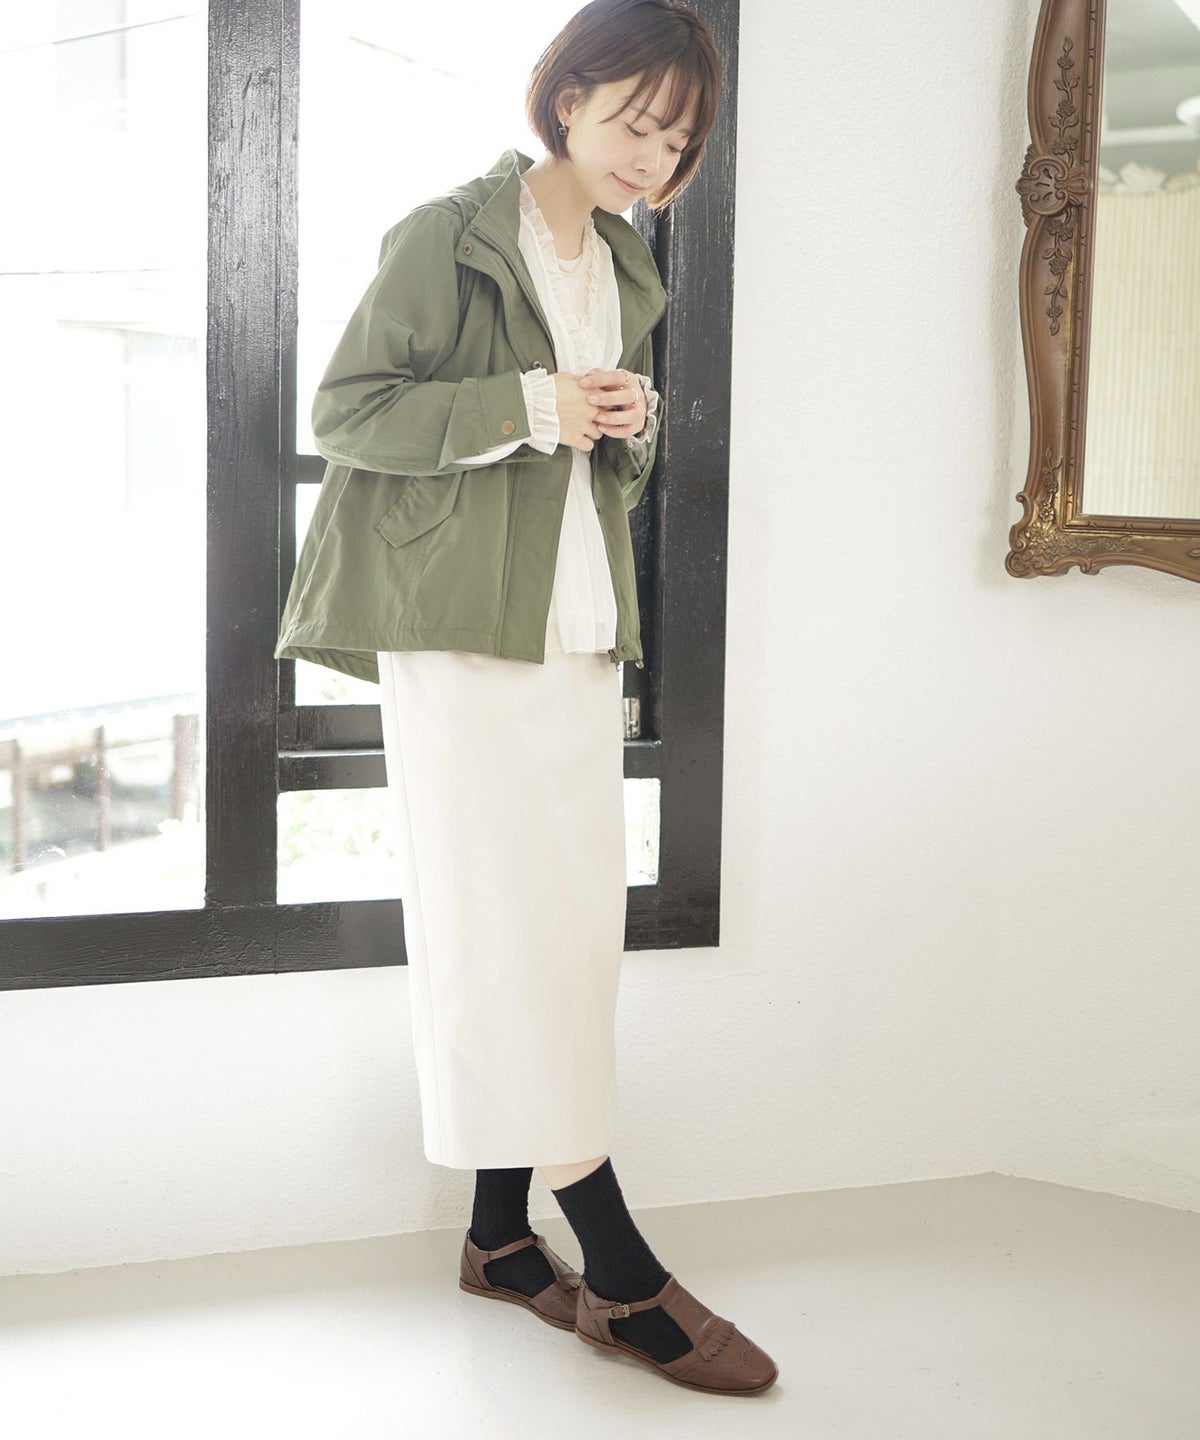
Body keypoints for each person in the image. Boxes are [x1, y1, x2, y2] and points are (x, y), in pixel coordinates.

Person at [275, 0, 777, 1396]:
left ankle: (500, 1239)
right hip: (459, 634)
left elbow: (591, 469)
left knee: (560, 935)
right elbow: (346, 412)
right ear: (566, 98)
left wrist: (621, 428)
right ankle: (614, 1262)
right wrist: (532, 403)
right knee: (501, 931)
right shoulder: (449, 234)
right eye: (636, 123)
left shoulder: (625, 261)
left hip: (573, 628)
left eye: (678, 142)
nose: (654, 159)